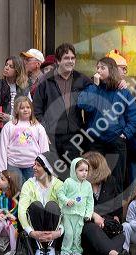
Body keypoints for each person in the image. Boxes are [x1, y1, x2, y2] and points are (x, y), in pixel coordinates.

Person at [78, 57, 136, 192]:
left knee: (116, 180)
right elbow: (83, 105)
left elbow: (134, 117)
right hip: (95, 142)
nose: (99, 70)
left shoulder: (123, 91)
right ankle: (93, 212)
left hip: (116, 142)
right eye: (97, 67)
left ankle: (115, 213)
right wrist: (94, 85)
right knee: (93, 179)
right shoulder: (92, 87)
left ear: (110, 70)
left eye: (102, 68)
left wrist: (125, 134)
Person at [33, 43, 92, 178]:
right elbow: (36, 109)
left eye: (72, 58)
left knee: (73, 176)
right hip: (51, 137)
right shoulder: (45, 81)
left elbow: (97, 95)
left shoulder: (82, 79)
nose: (70, 61)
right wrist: (44, 129)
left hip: (74, 136)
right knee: (52, 176)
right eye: (66, 58)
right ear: (58, 61)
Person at [0, 55, 30, 188]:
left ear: (17, 70)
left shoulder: (24, 88)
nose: (6, 68)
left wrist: (9, 118)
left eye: (11, 66)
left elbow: (29, 113)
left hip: (18, 135)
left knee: (17, 175)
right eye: (6, 65)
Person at [17, 152, 64, 255]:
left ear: (47, 168)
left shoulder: (59, 185)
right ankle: (39, 248)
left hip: (54, 232)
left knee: (52, 205)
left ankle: (51, 247)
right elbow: (22, 210)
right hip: (35, 229)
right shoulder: (28, 184)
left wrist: (59, 232)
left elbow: (66, 211)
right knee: (35, 205)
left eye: (38, 165)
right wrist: (31, 232)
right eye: (34, 164)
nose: (34, 167)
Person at [81, 152, 126, 255]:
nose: (84, 171)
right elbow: (77, 207)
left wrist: (116, 218)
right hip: (86, 224)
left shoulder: (111, 181)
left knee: (121, 235)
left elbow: (117, 206)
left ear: (97, 169)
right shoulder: (79, 184)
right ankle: (114, 254)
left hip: (106, 224)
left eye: (87, 168)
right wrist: (94, 215)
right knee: (92, 228)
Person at [0, 96, 49, 186]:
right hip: (13, 165)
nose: (25, 110)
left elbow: (44, 148)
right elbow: (2, 148)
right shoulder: (9, 126)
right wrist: (1, 170)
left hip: (32, 166)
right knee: (17, 192)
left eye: (28, 107)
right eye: (22, 108)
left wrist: (44, 168)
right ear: (16, 110)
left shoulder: (38, 127)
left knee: (32, 192)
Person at [57, 158, 94, 255]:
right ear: (74, 170)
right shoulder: (68, 182)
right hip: (68, 214)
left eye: (86, 170)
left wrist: (88, 213)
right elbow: (60, 194)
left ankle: (76, 252)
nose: (84, 173)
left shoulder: (88, 185)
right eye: (81, 170)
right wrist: (66, 200)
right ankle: (65, 252)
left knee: (77, 235)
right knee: (69, 234)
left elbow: (90, 201)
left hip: (80, 215)